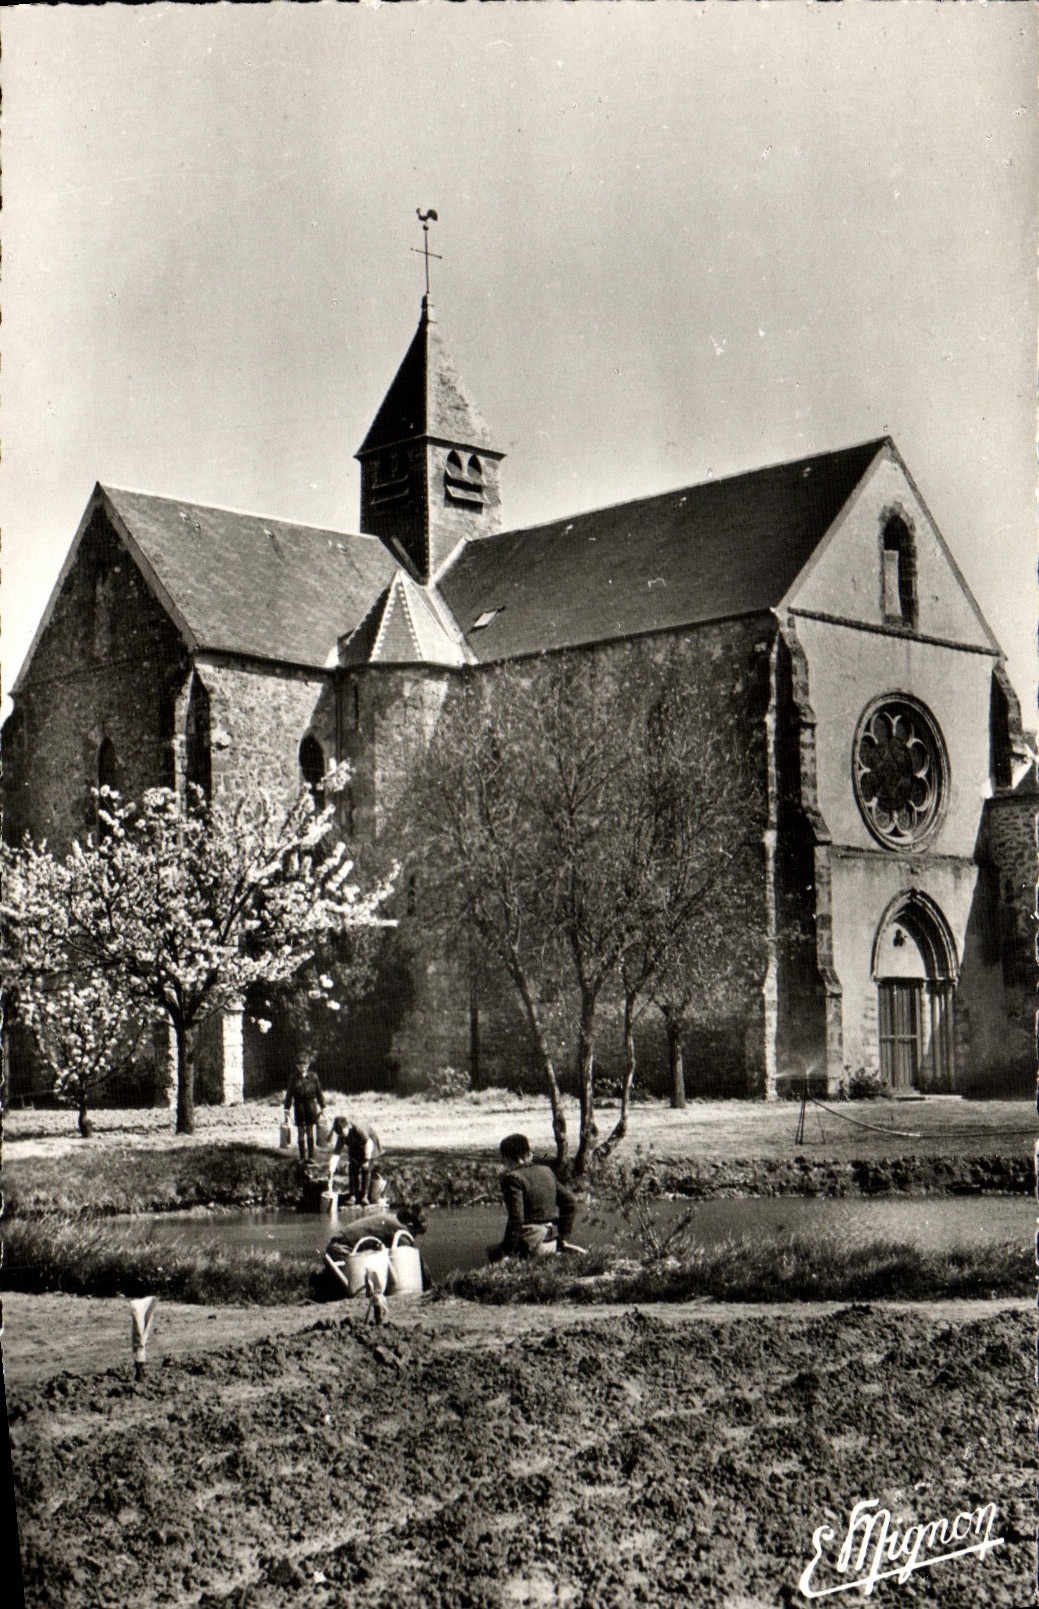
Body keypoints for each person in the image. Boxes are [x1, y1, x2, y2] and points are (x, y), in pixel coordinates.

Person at [489, 1133, 579, 1261]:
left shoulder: (513, 1178)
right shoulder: (547, 1171)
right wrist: (564, 1236)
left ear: (509, 1159)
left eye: (504, 1161)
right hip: (552, 1241)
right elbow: (570, 1203)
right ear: (529, 1154)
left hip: (532, 1244)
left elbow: (516, 1220)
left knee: (492, 1251)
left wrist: (506, 1252)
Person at [282, 1058, 325, 1164]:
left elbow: (319, 1092)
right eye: (300, 1065)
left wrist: (323, 1106)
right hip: (299, 1106)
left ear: (308, 1065)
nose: (302, 1067)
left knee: (310, 1131)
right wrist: (287, 1109)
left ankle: (311, 1156)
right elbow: (289, 1095)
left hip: (311, 1106)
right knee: (301, 1132)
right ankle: (302, 1157)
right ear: (297, 1066)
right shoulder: (293, 1078)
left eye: (305, 1065)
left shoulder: (313, 1077)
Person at [331, 1116, 383, 1205]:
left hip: (369, 1143)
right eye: (340, 1134)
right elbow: (336, 1154)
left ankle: (364, 1196)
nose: (342, 1136)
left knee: (365, 1169)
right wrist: (331, 1169)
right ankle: (353, 1195)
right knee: (352, 1168)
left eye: (343, 1133)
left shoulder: (358, 1129)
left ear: (347, 1127)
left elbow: (368, 1143)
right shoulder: (342, 1135)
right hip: (356, 1145)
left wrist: (366, 1160)